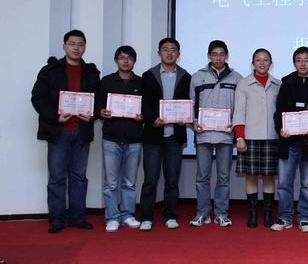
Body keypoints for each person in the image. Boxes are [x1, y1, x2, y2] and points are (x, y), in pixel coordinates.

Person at [31, 29, 101, 234]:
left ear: (84, 47)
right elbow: (37, 98)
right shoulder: (50, 70)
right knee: (57, 177)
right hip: (58, 131)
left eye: (80, 44)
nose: (76, 48)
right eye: (72, 44)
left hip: (82, 131)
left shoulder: (91, 71)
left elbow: (100, 99)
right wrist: (55, 116)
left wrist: (93, 115)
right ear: (64, 46)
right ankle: (56, 219)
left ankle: (78, 218)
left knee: (79, 177)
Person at [270, 47, 308, 232]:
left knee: (307, 185)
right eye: (299, 60)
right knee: (284, 184)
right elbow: (278, 113)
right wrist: (281, 129)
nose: (303, 64)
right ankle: (284, 218)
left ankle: (305, 218)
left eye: (306, 60)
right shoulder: (286, 84)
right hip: (288, 142)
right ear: (294, 63)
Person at [139, 38, 192, 231]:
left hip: (175, 137)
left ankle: (170, 215)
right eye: (165, 49)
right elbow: (143, 103)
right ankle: (146, 217)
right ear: (159, 53)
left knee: (172, 180)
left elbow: (189, 102)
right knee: (150, 180)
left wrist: (185, 118)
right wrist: (152, 119)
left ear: (179, 54)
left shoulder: (186, 77)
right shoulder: (148, 76)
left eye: (173, 50)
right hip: (153, 136)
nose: (169, 53)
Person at [189, 40, 242, 227]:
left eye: (221, 54)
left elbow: (240, 108)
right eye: (214, 54)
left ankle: (221, 213)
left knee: (223, 177)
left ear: (226, 56)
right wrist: (193, 122)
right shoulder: (197, 77)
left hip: (225, 135)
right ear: (209, 56)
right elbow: (191, 104)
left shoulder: (237, 78)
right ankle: (202, 213)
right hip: (203, 134)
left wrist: (234, 124)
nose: (218, 58)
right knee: (202, 176)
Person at [232, 48, 282, 228]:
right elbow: (239, 112)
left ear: (270, 63)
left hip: (272, 137)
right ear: (253, 63)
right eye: (258, 60)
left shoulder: (278, 84)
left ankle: (268, 215)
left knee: (269, 177)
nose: (262, 63)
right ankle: (252, 214)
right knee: (251, 177)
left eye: (265, 60)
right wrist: (239, 137)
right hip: (250, 137)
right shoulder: (243, 84)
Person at [97, 45, 144, 232]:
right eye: (122, 57)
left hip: (134, 138)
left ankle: (127, 214)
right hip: (112, 138)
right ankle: (112, 217)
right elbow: (98, 106)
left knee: (129, 182)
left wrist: (142, 117)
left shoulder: (141, 82)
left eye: (129, 58)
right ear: (116, 60)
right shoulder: (106, 81)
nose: (126, 61)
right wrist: (101, 112)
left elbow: (147, 110)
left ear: (134, 61)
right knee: (111, 182)